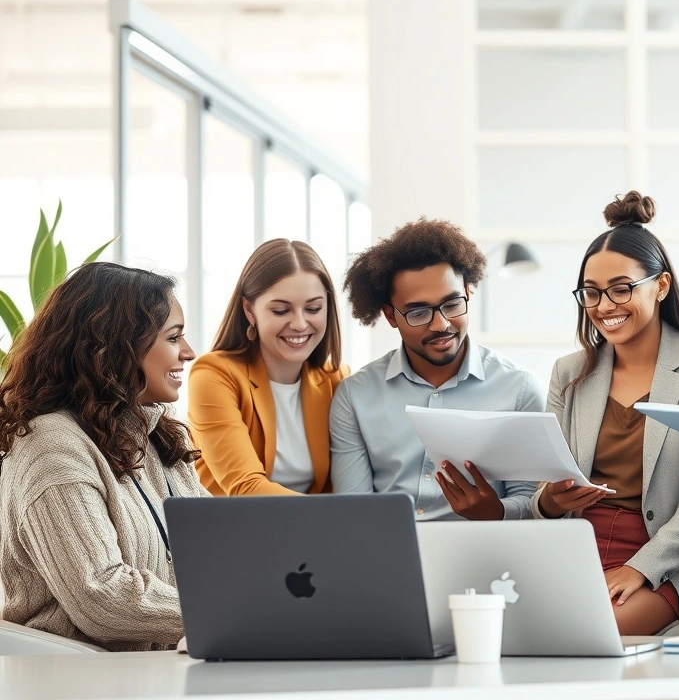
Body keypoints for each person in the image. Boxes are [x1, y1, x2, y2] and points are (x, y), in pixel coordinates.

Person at [531, 192, 679, 636]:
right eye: (591, 293)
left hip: (667, 558)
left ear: (661, 286)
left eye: (621, 288)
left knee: (591, 635)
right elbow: (545, 489)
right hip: (577, 550)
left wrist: (641, 568)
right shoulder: (569, 373)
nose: (605, 305)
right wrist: (551, 500)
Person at [0, 263, 208, 651]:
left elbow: (221, 542)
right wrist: (231, 610)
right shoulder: (51, 448)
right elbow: (101, 593)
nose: (189, 352)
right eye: (173, 337)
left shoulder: (158, 438)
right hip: (80, 679)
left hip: (160, 669)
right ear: (117, 345)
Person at [330, 218, 541, 520]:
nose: (441, 324)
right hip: (392, 557)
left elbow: (533, 501)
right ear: (390, 315)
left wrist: (496, 511)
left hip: (485, 557)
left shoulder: (518, 388)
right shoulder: (355, 396)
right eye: (418, 312)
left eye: (452, 304)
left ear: (468, 292)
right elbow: (355, 512)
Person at [188, 239, 346, 495]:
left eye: (313, 308)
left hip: (310, 532)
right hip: (230, 531)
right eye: (281, 310)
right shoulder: (213, 374)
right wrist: (334, 517)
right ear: (250, 310)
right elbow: (246, 488)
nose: (299, 323)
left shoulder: (336, 379)